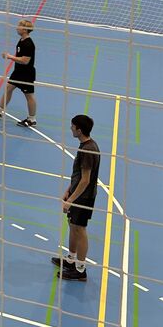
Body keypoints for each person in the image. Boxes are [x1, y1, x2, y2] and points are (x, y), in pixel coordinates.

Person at [51, 114, 101, 282]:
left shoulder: (88, 150)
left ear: (79, 130)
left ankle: (80, 270)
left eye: (72, 126)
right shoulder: (87, 145)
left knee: (80, 229)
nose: (71, 128)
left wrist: (71, 200)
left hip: (83, 197)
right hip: (77, 193)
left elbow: (85, 180)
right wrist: (69, 190)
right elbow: (78, 176)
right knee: (73, 225)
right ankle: (71, 260)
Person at [0, 18, 37, 127]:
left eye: (19, 26)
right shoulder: (21, 40)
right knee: (8, 88)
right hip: (18, 72)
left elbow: (25, 60)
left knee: (29, 95)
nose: (17, 28)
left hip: (26, 74)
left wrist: (10, 56)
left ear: (25, 30)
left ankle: (32, 119)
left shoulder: (28, 44)